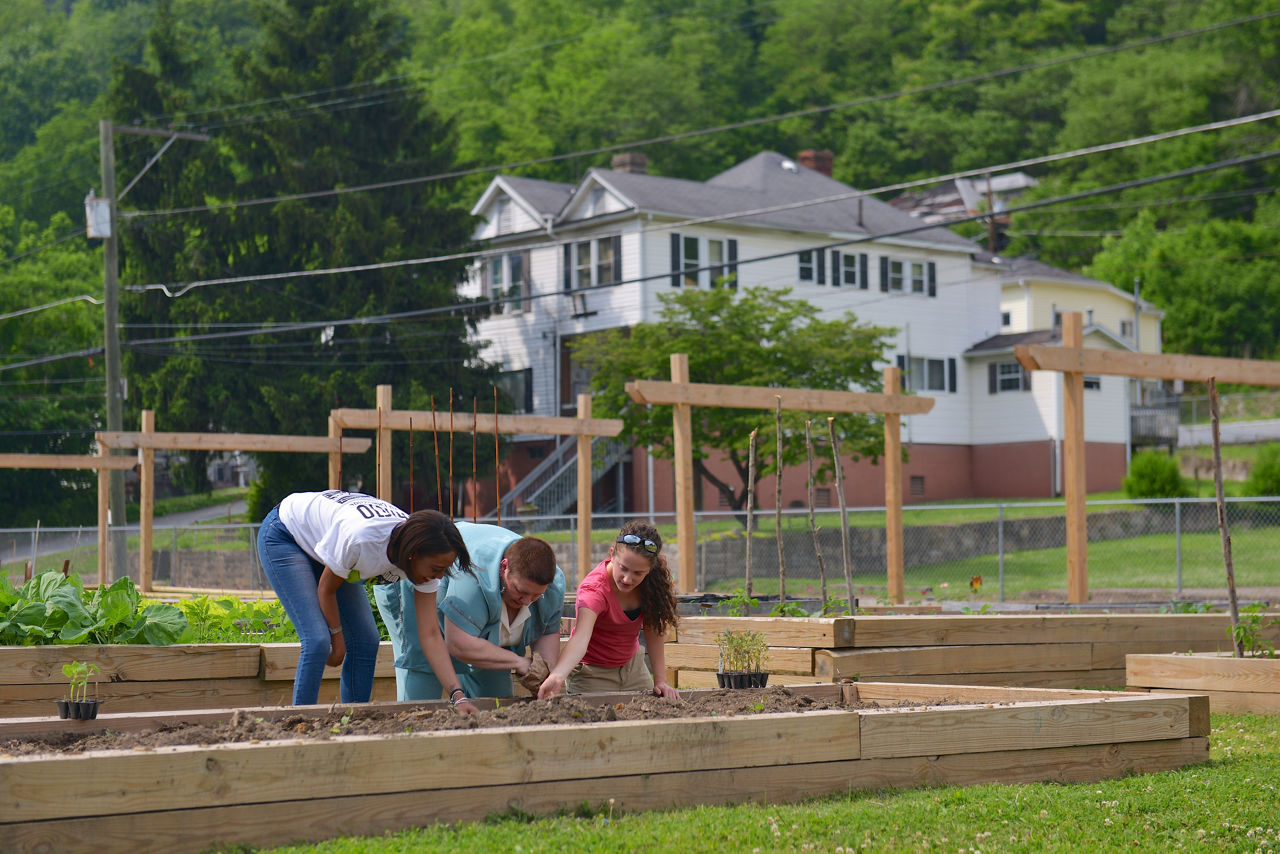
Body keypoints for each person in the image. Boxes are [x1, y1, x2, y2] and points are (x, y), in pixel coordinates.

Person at [257, 489, 478, 713]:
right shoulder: (363, 541)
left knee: (366, 641)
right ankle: (299, 725)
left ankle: (354, 722)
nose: (439, 577)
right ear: (413, 553)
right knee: (318, 641)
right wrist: (338, 639)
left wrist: (458, 696)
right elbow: (326, 589)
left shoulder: (422, 562)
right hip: (287, 533)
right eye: (436, 569)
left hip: (331, 545)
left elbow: (431, 634)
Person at [374, 521, 566, 700]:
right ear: (504, 567)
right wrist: (519, 662)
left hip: (473, 608)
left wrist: (542, 675)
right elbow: (458, 644)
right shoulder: (475, 575)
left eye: (535, 596)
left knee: (496, 698)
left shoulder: (552, 583)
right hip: (413, 581)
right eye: (520, 591)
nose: (526, 602)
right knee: (423, 680)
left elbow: (547, 634)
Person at [538, 520, 680, 700]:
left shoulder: (650, 586)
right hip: (592, 673)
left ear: (649, 570)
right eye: (623, 568)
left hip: (633, 668)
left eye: (638, 573)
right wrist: (557, 676)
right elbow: (580, 638)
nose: (628, 579)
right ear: (612, 555)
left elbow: (654, 629)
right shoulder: (594, 590)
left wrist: (660, 680)